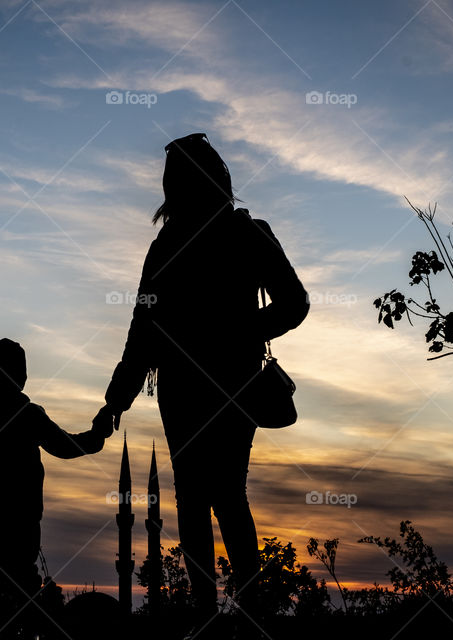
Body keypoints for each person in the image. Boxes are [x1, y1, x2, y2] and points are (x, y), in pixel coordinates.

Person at [96, 133, 309, 625]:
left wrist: (237, 332)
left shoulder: (235, 235)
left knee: (208, 497)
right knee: (213, 497)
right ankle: (221, 614)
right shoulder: (198, 240)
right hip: (204, 385)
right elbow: (143, 326)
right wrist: (117, 397)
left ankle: (221, 614)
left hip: (222, 384)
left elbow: (294, 303)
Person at [0, 338, 113, 634]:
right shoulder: (27, 416)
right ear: (21, 376)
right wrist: (97, 437)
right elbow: (65, 445)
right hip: (20, 517)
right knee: (21, 581)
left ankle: (2, 630)